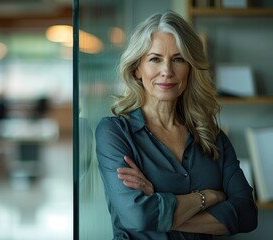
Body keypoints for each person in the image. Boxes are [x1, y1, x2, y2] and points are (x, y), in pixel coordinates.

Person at [95, 11, 258, 240]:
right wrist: (209, 197)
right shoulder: (115, 133)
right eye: (155, 59)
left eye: (178, 59)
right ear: (136, 69)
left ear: (190, 68)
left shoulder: (212, 136)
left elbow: (247, 215)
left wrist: (160, 207)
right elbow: (138, 217)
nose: (167, 71)